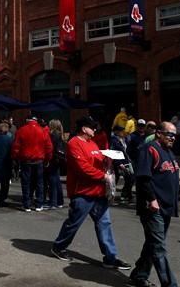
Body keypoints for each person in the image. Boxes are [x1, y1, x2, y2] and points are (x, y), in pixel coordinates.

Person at [50, 115, 131, 270]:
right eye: (92, 126)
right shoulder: (74, 144)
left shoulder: (92, 143)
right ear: (83, 129)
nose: (95, 129)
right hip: (82, 192)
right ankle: (59, 246)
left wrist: (112, 162)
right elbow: (82, 168)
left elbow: (98, 158)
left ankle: (110, 257)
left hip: (98, 191)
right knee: (74, 222)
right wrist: (104, 176)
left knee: (104, 223)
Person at [127, 122, 180, 287]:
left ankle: (139, 275)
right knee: (159, 248)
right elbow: (143, 178)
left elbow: (167, 175)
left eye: (175, 135)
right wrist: (151, 199)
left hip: (166, 207)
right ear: (158, 134)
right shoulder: (150, 149)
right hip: (152, 207)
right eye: (169, 134)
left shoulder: (169, 152)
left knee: (153, 244)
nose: (173, 137)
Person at [11, 115, 52, 212]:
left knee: (26, 182)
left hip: (26, 160)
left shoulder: (22, 130)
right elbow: (49, 146)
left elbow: (16, 146)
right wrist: (48, 159)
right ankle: (39, 203)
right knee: (39, 182)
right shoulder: (42, 130)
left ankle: (27, 204)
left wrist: (14, 158)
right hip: (38, 159)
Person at [109, 125, 134, 204]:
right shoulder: (113, 140)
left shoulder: (124, 140)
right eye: (121, 131)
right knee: (115, 180)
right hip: (118, 163)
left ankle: (127, 195)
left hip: (126, 162)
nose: (123, 132)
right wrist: (118, 163)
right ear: (116, 132)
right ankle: (110, 197)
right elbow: (112, 153)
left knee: (131, 178)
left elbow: (127, 150)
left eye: (123, 130)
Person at [45, 119, 66, 209]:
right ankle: (59, 201)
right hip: (59, 159)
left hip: (53, 160)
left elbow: (51, 148)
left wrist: (48, 160)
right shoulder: (61, 135)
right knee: (56, 180)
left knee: (52, 180)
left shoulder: (53, 135)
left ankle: (53, 202)